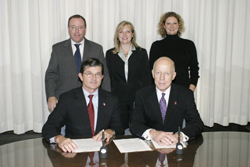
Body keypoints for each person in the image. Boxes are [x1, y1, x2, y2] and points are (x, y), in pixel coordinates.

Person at [42, 58, 123, 153]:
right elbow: (49, 127)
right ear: (81, 76)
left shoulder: (111, 99)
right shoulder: (67, 99)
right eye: (89, 74)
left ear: (102, 77)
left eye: (98, 74)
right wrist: (60, 139)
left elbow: (119, 127)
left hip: (104, 151)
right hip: (75, 152)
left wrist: (111, 131)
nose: (94, 78)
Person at [130, 57, 204, 146]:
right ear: (153, 74)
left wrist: (179, 136)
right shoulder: (142, 94)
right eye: (158, 73)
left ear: (173, 75)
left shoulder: (185, 94)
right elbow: (135, 124)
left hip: (174, 146)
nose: (162, 78)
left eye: (167, 73)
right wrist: (153, 134)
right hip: (150, 148)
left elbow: (197, 124)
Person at [45, 14, 111, 112]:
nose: (77, 31)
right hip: (64, 100)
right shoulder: (57, 49)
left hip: (91, 99)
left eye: (80, 27)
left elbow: (104, 75)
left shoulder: (97, 49)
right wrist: (51, 96)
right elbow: (51, 74)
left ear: (85, 29)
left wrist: (107, 98)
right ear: (68, 29)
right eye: (73, 27)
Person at [106, 21, 151, 130]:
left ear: (132, 34)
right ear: (117, 35)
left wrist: (146, 98)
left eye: (128, 31)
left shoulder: (141, 52)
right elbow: (108, 78)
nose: (124, 35)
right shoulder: (110, 54)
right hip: (118, 99)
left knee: (138, 128)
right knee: (119, 129)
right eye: (121, 32)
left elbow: (146, 77)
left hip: (137, 98)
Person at [149, 12, 199, 91]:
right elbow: (152, 71)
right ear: (164, 26)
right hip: (162, 91)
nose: (171, 26)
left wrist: (190, 90)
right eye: (168, 23)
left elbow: (194, 69)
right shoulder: (156, 46)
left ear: (179, 25)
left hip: (184, 90)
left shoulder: (189, 45)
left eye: (174, 23)